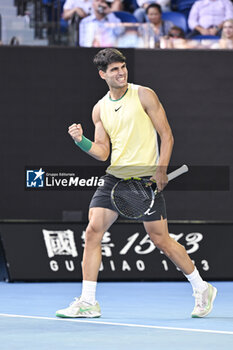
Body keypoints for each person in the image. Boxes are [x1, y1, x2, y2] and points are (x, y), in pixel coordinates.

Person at [56, 48, 217, 319]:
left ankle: (201, 288)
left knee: (161, 239)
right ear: (102, 74)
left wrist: (162, 170)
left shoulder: (144, 94)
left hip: (144, 179)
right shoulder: (100, 109)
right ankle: (88, 301)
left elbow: (167, 135)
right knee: (93, 231)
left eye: (123, 67)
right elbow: (103, 152)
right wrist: (80, 140)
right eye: (114, 70)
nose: (121, 73)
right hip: (114, 178)